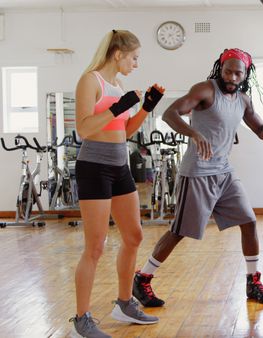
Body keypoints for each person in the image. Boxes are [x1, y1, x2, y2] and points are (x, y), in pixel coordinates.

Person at [132, 48, 263, 307]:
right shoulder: (205, 91)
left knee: (249, 221)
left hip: (224, 172)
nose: (232, 77)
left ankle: (252, 281)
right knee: (179, 231)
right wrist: (195, 134)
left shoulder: (243, 100)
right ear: (221, 68)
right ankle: (142, 278)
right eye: (228, 71)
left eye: (237, 73)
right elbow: (170, 114)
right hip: (197, 172)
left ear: (246, 74)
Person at [70, 29, 165, 338]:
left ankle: (124, 303)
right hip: (94, 166)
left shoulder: (118, 85)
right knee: (95, 246)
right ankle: (82, 319)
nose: (136, 64)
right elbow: (84, 128)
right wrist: (117, 106)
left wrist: (147, 107)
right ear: (118, 54)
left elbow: (123, 132)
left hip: (119, 164)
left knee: (134, 236)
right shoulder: (91, 81)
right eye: (134, 57)